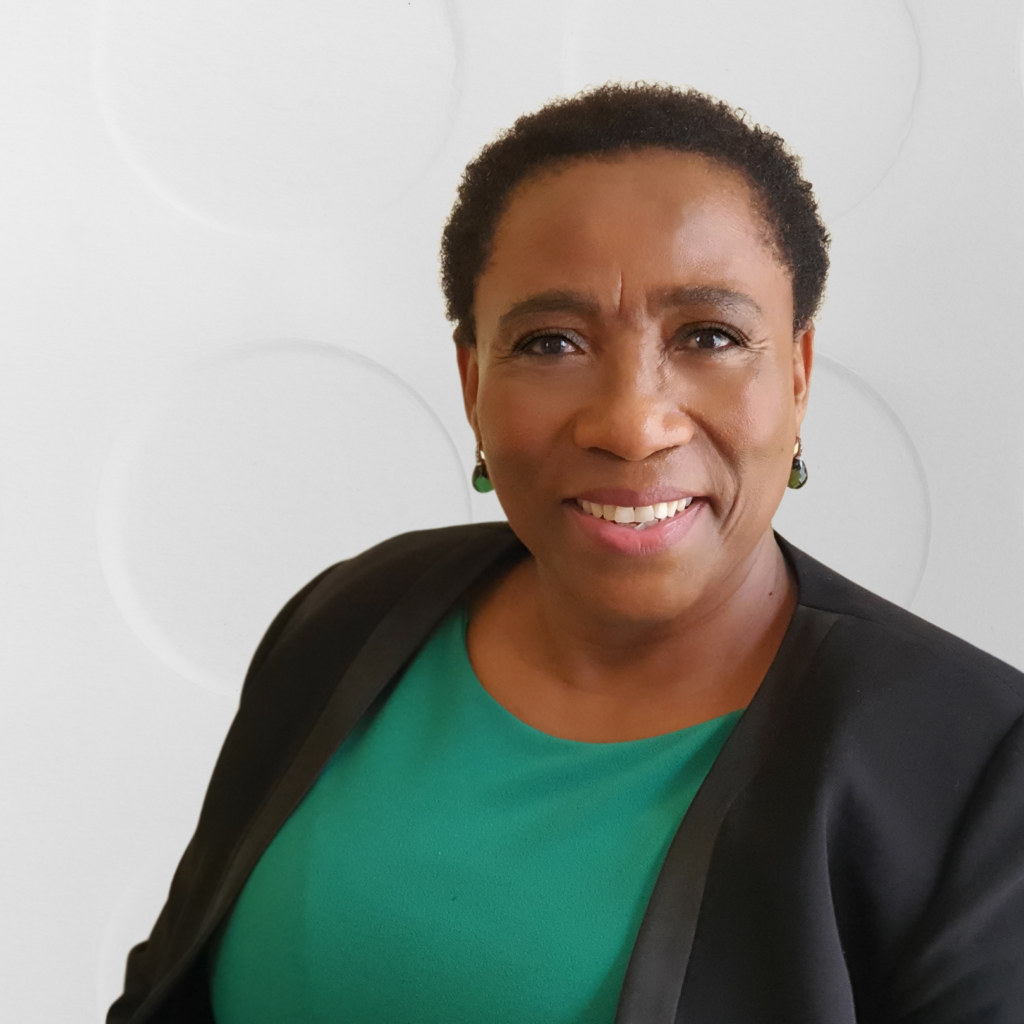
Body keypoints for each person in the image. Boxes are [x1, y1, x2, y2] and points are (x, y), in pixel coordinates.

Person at [108, 84, 1024, 1024]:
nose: (632, 423)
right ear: (473, 380)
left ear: (796, 373)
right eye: (551, 343)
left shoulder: (978, 765)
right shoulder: (348, 618)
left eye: (709, 336)